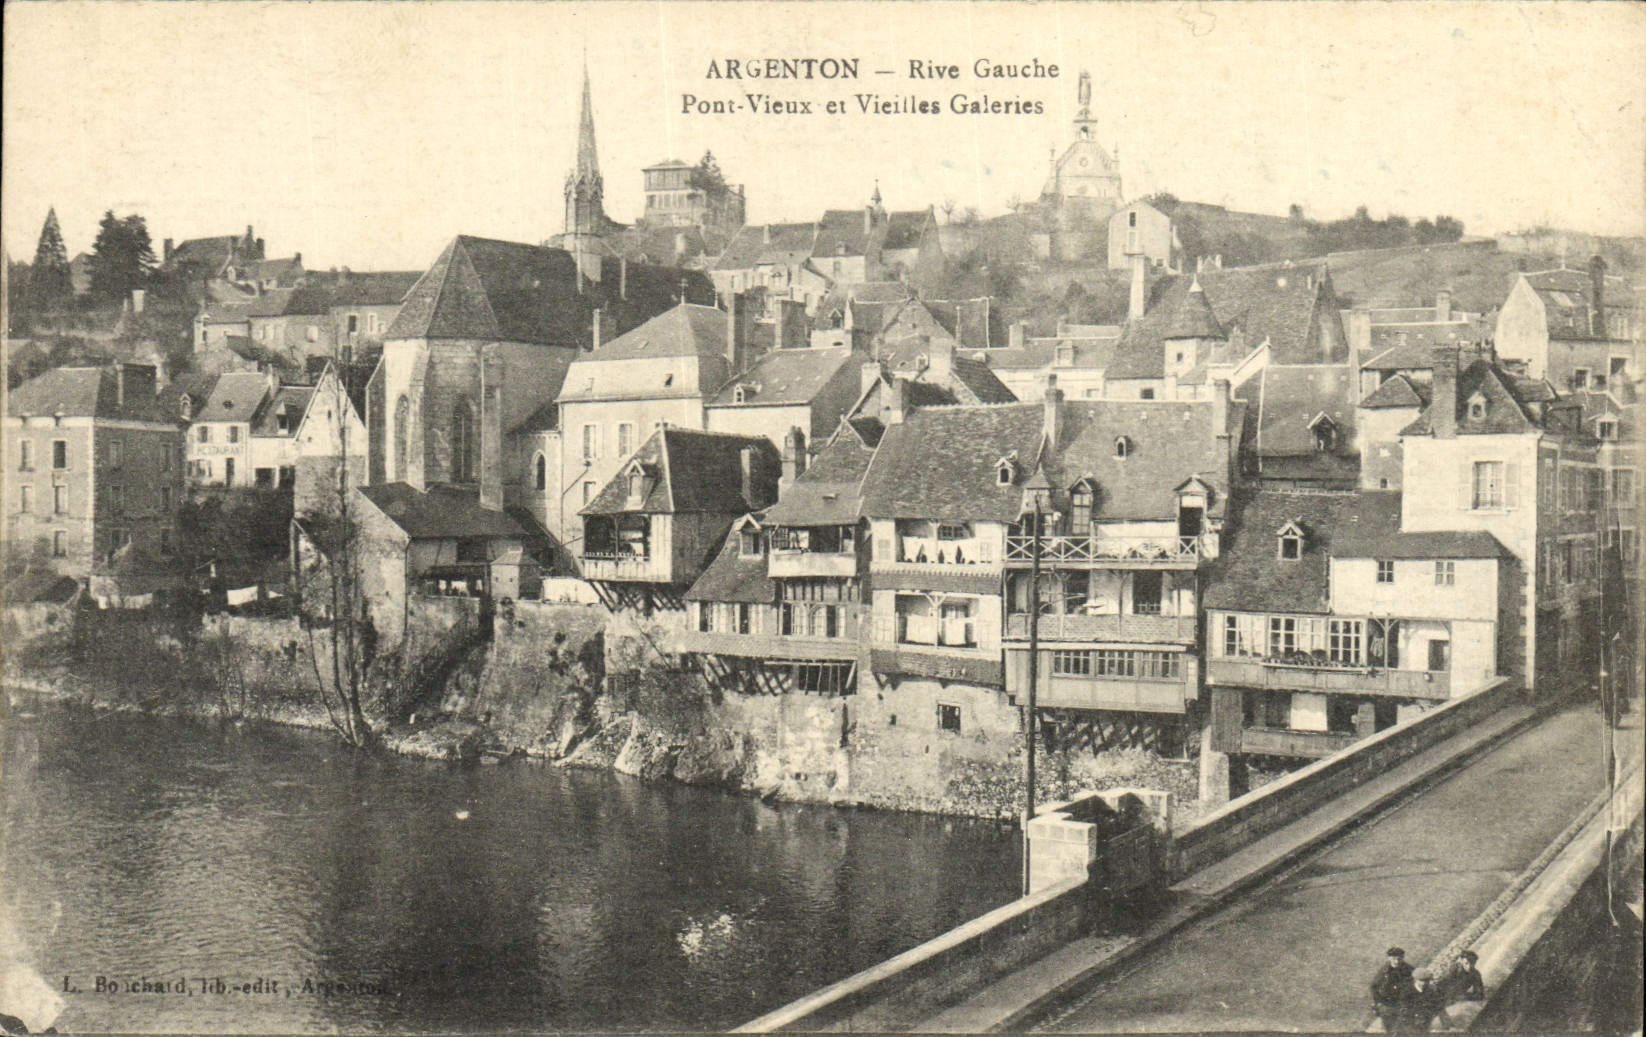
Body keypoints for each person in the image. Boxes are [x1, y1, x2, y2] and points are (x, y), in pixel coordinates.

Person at [1371, 946, 1415, 1032]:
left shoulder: (1409, 970)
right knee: (1390, 1029)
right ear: (1389, 958)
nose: (1396, 961)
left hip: (1404, 1004)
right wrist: (1378, 1002)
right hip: (1387, 1005)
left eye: (1399, 959)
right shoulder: (1384, 971)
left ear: (1403, 958)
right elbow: (1374, 987)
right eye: (1394, 959)